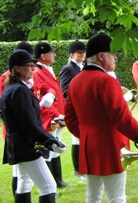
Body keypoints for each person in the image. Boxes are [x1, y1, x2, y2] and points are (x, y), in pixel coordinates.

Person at [65, 33, 138, 202]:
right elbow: (123, 120)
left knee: (92, 197)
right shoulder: (106, 80)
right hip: (110, 147)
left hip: (89, 147)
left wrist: (89, 136)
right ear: (101, 56)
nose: (115, 57)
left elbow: (70, 121)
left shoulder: (75, 81)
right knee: (116, 198)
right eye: (113, 53)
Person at [0, 49, 67, 203]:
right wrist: (49, 141)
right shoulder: (19, 90)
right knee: (49, 186)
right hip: (26, 146)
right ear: (16, 69)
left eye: (33, 65)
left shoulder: (13, 88)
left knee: (24, 183)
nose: (33, 69)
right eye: (28, 66)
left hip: (18, 144)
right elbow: (29, 124)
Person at [0, 41, 34, 198]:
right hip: (16, 127)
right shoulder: (6, 80)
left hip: (22, 124)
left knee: (22, 175)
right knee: (18, 171)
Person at [33, 41, 68, 188]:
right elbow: (42, 98)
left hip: (57, 115)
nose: (54, 54)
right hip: (49, 117)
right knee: (49, 149)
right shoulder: (37, 72)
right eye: (51, 52)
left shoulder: (47, 69)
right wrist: (55, 115)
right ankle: (50, 184)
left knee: (57, 148)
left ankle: (58, 181)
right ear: (43, 56)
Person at [59, 40, 86, 179]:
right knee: (77, 139)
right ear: (72, 54)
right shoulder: (67, 69)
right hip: (76, 108)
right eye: (79, 53)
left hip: (86, 108)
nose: (82, 54)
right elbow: (65, 90)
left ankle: (85, 167)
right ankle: (78, 170)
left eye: (83, 52)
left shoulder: (84, 67)